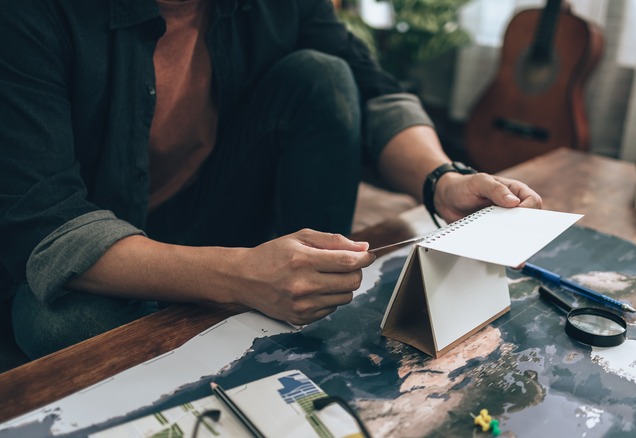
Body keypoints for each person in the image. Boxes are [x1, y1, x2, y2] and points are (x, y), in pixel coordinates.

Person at [0, 0, 542, 360]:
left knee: (322, 75)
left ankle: (300, 299)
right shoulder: (28, 15)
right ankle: (266, 295)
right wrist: (240, 275)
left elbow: (369, 87)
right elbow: (47, 224)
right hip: (101, 246)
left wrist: (441, 179)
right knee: (59, 324)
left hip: (207, 210)